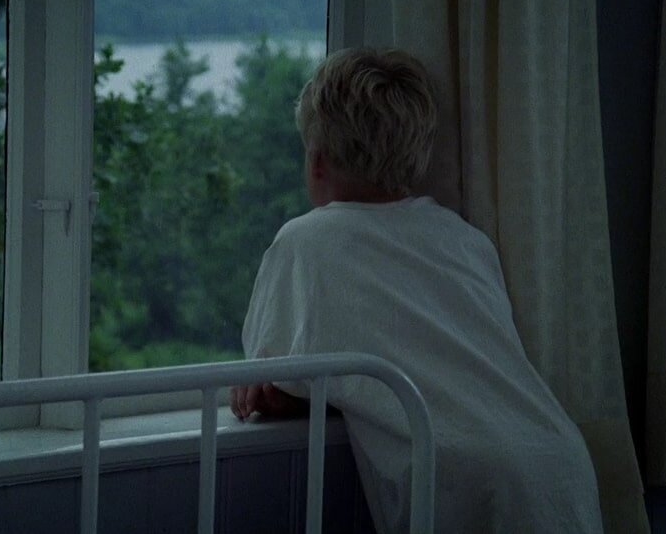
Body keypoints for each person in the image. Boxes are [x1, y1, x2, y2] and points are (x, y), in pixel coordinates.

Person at [229, 48, 604, 533]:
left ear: (317, 161)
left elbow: (276, 376)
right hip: (559, 459)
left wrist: (281, 393)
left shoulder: (307, 242)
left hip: (467, 477)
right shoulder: (464, 238)